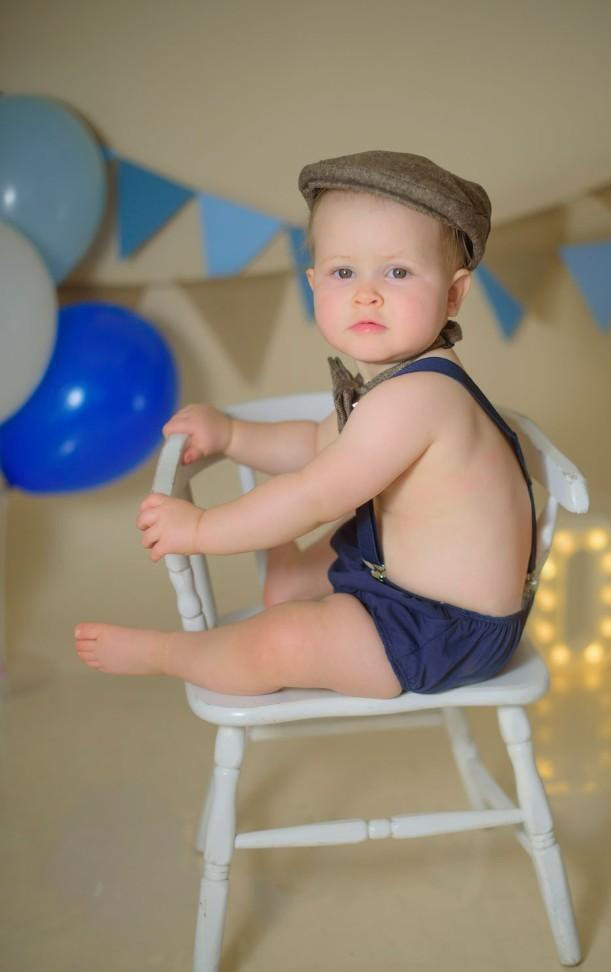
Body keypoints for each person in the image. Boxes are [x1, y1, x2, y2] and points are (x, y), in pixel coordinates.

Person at [75, 150, 538, 698]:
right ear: (315, 284)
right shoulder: (398, 383)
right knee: (350, 537)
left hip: (445, 629)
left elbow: (314, 495)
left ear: (453, 294)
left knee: (285, 642)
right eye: (345, 271)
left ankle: (170, 652)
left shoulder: (420, 396)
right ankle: (291, 580)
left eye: (398, 271)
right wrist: (233, 435)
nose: (367, 292)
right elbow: (316, 443)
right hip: (396, 580)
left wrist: (202, 529)